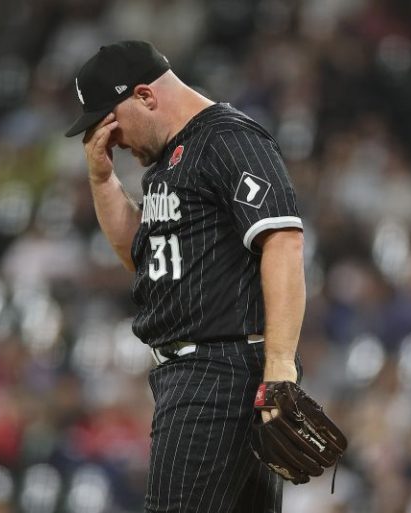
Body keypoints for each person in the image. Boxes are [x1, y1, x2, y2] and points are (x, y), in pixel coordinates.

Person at [66, 41, 306, 513]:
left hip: (217, 374)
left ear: (145, 96)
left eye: (110, 121)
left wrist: (280, 369)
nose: (109, 139)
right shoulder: (171, 159)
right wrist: (101, 181)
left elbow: (282, 240)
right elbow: (145, 262)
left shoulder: (227, 138)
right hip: (203, 374)